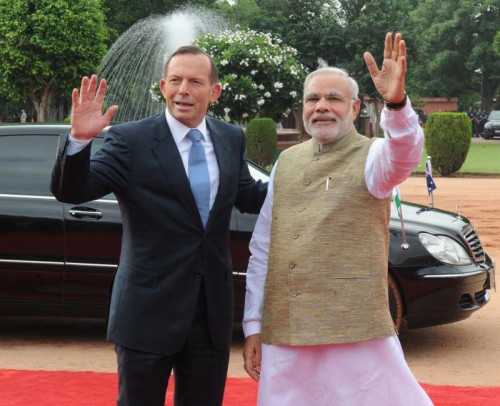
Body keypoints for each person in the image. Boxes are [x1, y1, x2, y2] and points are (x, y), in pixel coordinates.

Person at [51, 45, 267, 406]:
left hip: (209, 313)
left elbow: (249, 194)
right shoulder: (131, 140)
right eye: (175, 80)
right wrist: (80, 140)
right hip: (147, 311)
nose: (183, 89)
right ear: (163, 86)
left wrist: (308, 178)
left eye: (195, 81)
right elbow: (71, 190)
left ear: (214, 92)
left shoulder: (231, 137)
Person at [242, 32, 433, 405]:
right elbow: (264, 247)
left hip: (354, 327)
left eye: (334, 98)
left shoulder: (375, 156)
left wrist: (395, 104)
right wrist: (253, 324)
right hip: (287, 328)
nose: (322, 107)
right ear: (303, 107)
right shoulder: (286, 162)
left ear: (356, 106)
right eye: (313, 99)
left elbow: (406, 151)